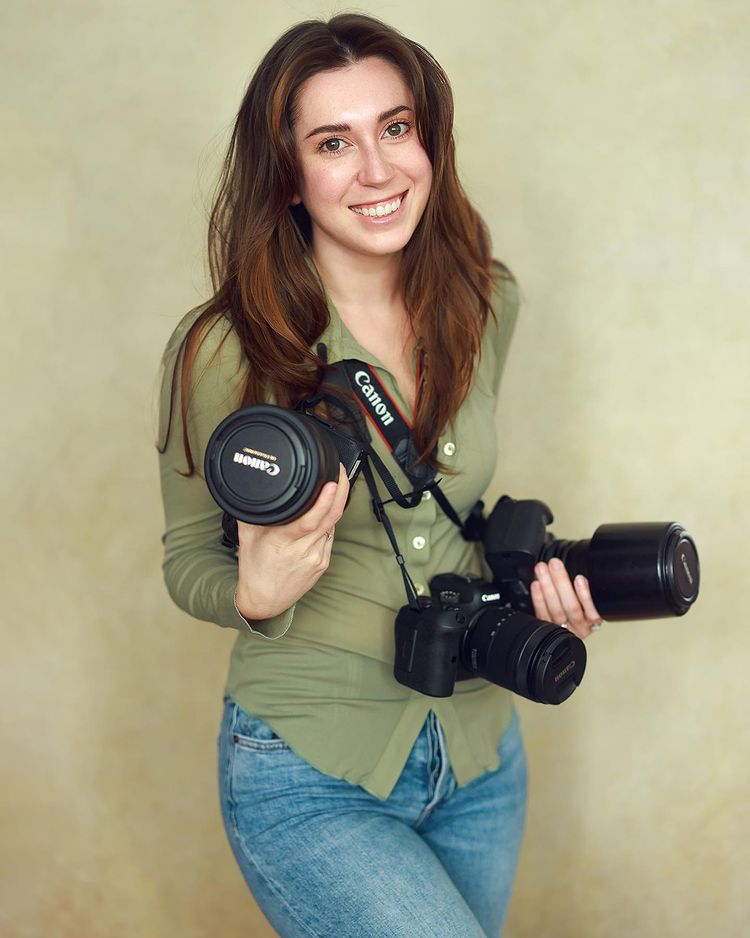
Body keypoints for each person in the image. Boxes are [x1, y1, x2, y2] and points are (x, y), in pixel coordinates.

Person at [156, 13, 602, 937]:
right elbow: (187, 556)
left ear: (428, 139)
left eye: (395, 128)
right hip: (310, 765)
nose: (377, 169)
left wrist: (538, 594)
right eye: (333, 142)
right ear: (288, 175)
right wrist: (251, 593)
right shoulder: (224, 349)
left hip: (482, 753)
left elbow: (452, 517)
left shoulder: (485, 300)